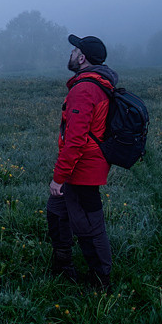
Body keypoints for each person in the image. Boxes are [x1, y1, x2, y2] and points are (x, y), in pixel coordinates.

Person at [49, 33, 116, 291]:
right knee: (57, 212)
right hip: (81, 165)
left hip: (83, 168)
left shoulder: (85, 89)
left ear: (82, 58)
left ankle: (101, 281)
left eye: (74, 50)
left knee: (89, 225)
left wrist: (59, 177)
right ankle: (62, 265)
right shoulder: (95, 83)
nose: (71, 53)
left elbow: (75, 139)